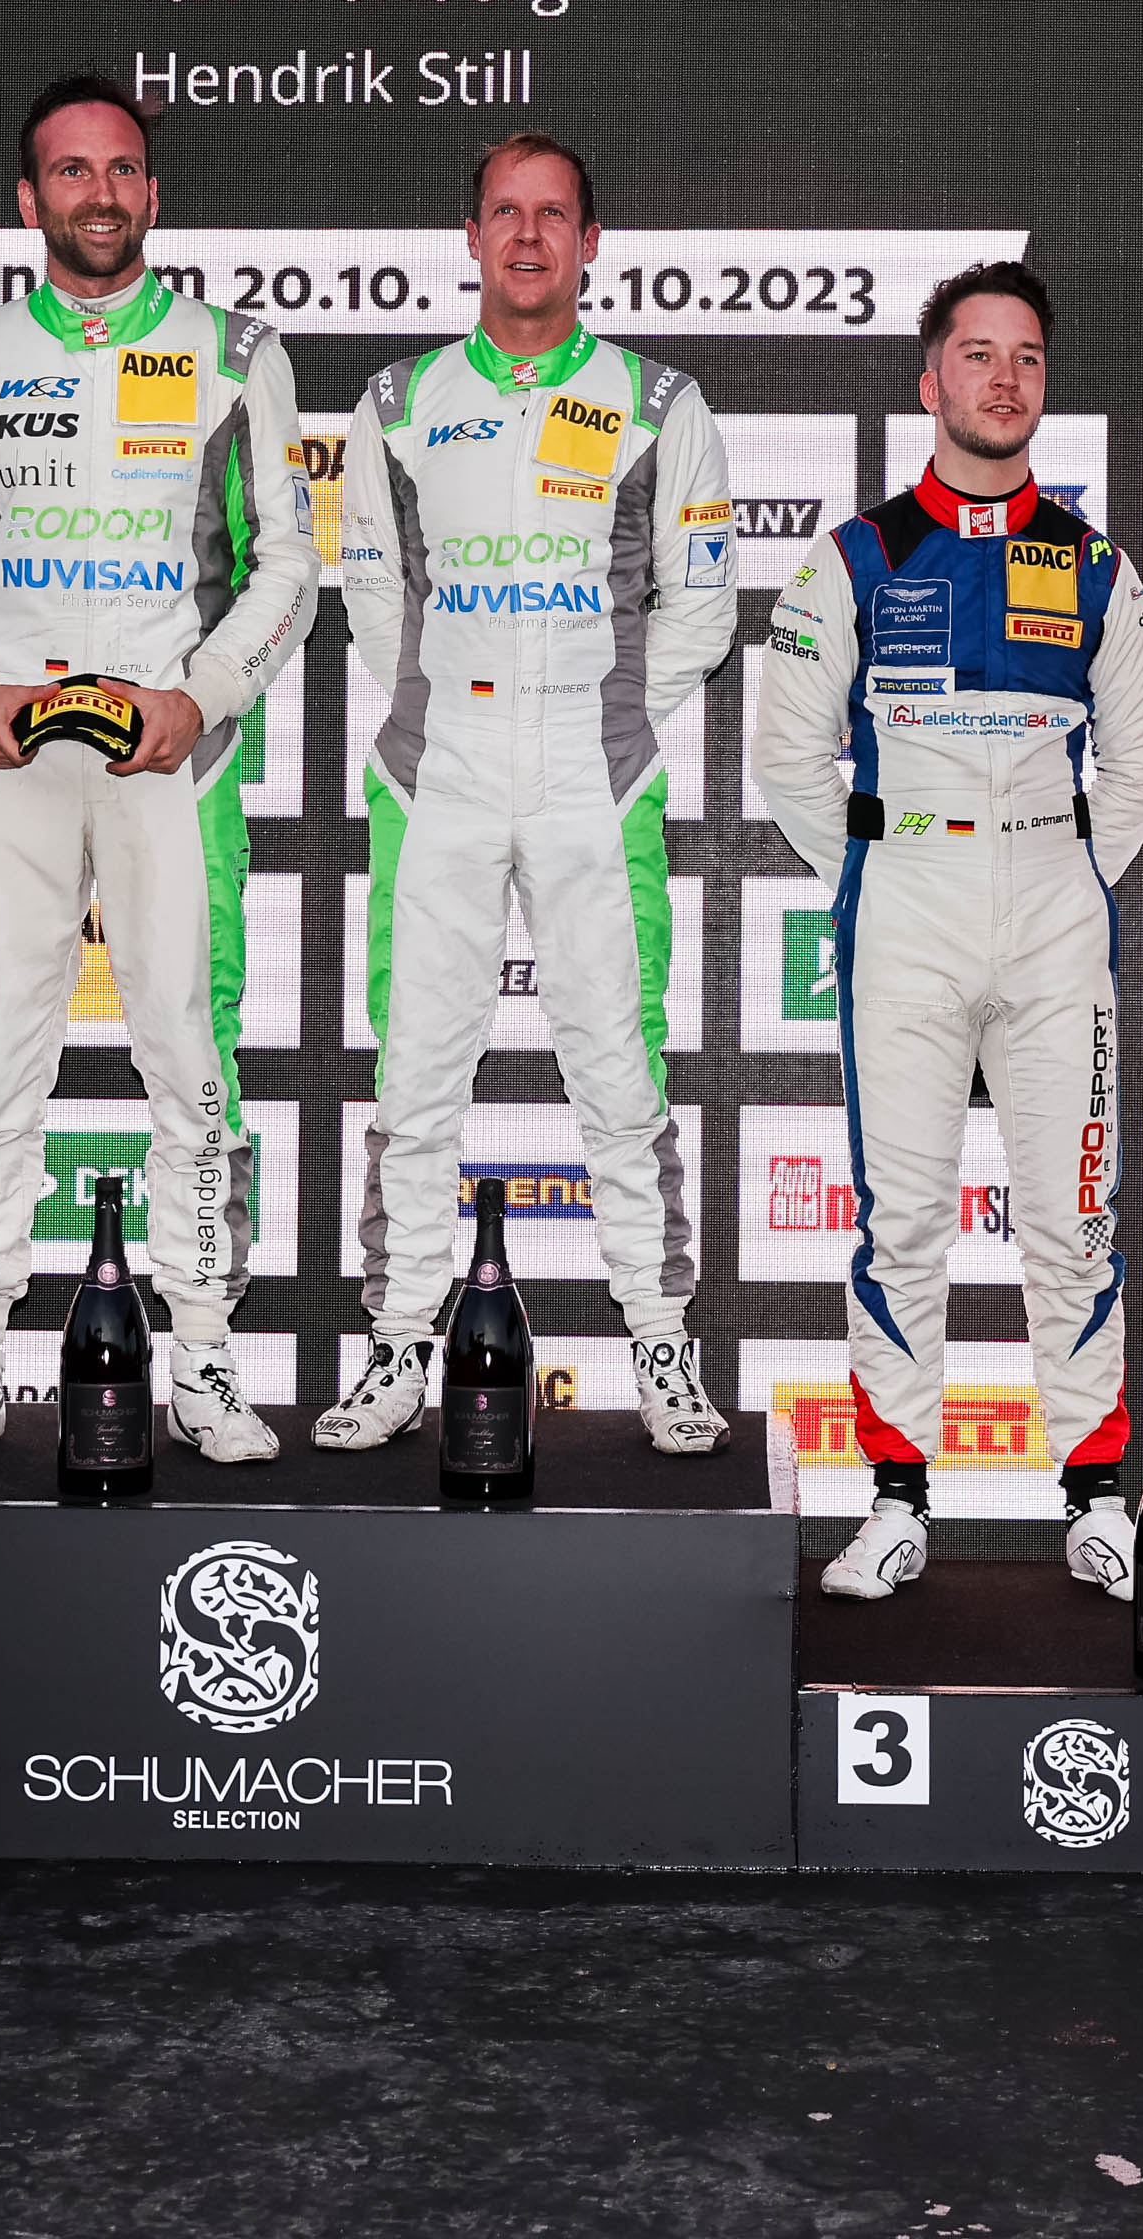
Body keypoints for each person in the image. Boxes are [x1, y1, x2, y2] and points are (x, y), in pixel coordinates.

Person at [0, 75, 318, 1462]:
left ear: (154, 193)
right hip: (11, 754)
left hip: (170, 757)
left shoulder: (236, 351)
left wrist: (201, 698)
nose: (100, 193)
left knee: (188, 1046)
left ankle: (207, 1358)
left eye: (121, 170)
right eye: (71, 172)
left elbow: (288, 565)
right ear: (29, 200)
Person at [753, 262, 1143, 1594]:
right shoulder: (857, 555)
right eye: (980, 355)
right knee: (903, 1225)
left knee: (1076, 1220)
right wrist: (874, 870)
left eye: (1027, 358)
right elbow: (787, 758)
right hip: (908, 909)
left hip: (1054, 911)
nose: (1005, 378)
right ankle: (895, 1501)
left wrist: (1067, 870)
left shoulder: (1093, 563)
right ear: (930, 380)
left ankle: (1095, 1497)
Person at [324, 134, 737, 1456]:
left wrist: (609, 710)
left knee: (620, 1063)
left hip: (588, 768)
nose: (527, 235)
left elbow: (703, 602)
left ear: (590, 242)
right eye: (505, 212)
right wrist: (431, 700)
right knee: (415, 1067)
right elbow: (372, 585)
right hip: (440, 763)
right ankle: (397, 1342)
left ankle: (661, 1342)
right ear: (471, 235)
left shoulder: (659, 400)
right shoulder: (399, 399)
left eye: (553, 214)